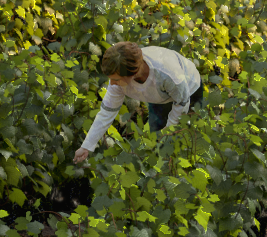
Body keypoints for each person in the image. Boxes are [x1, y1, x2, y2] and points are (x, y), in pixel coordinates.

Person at [74, 40, 204, 161]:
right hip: (159, 97)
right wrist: (86, 146)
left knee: (186, 140)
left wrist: (168, 133)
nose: (112, 83)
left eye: (116, 79)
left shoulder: (168, 73)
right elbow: (106, 112)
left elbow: (182, 102)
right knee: (156, 143)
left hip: (189, 89)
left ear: (133, 74)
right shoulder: (118, 78)